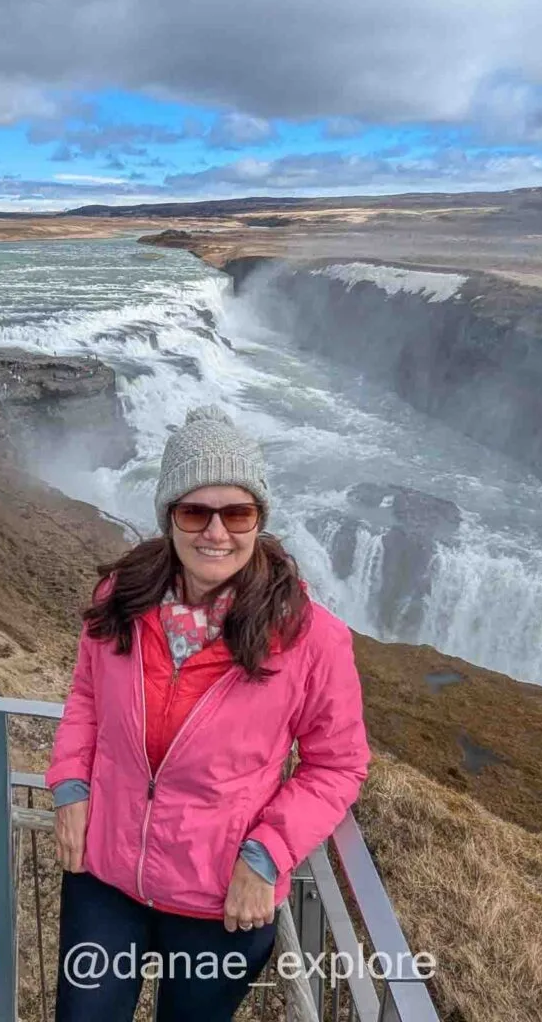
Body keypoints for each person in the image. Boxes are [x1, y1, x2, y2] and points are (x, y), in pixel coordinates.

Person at [46, 403, 371, 1021]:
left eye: (237, 511)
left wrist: (268, 854)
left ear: (259, 519)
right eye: (195, 510)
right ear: (169, 517)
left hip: (221, 897)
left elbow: (337, 765)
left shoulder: (310, 638)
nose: (215, 531)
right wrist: (69, 786)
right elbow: (86, 696)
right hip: (106, 876)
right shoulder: (121, 599)